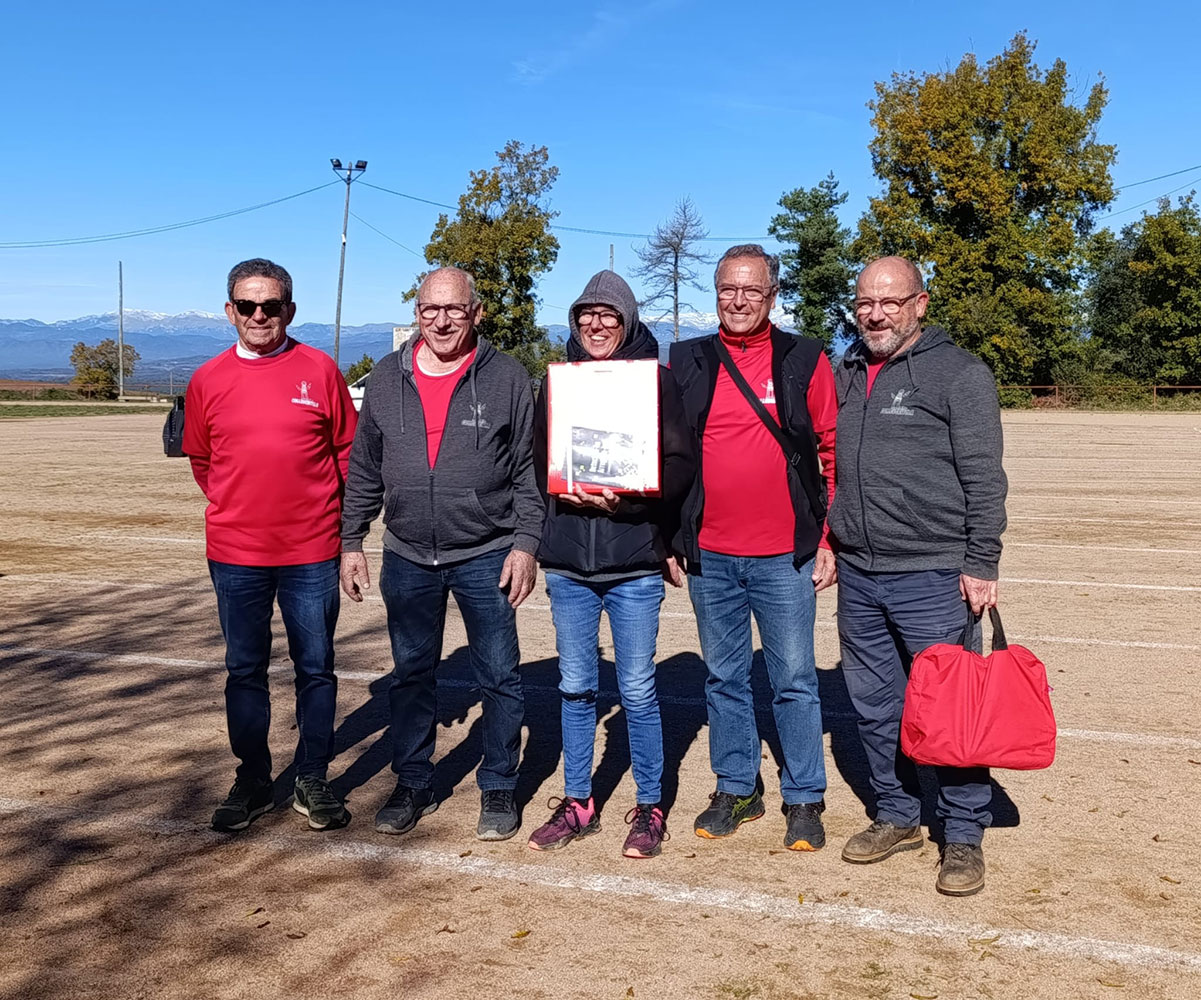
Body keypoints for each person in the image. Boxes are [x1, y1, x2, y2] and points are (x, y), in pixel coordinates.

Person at [339, 266, 542, 842]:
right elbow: (364, 467)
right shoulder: (385, 376)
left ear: (476, 313)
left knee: (500, 676)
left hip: (487, 552)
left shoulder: (506, 378)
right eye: (430, 309)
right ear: (417, 313)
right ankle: (413, 782)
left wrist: (525, 545)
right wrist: (352, 540)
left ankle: (499, 784)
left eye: (454, 309)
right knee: (411, 674)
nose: (442, 320)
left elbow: (528, 473)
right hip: (406, 555)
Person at [828, 256, 1007, 897]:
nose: (875, 313)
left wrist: (981, 561)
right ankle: (898, 814)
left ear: (919, 304)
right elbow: (829, 465)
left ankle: (961, 837)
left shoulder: (959, 374)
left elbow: (985, 476)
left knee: (952, 711)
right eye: (865, 302)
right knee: (876, 707)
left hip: (933, 573)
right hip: (859, 571)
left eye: (890, 302)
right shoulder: (844, 370)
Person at [669, 244, 838, 851]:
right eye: (727, 290)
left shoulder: (805, 358)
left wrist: (829, 539)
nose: (738, 301)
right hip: (711, 555)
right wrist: (671, 537)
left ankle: (804, 797)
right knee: (724, 678)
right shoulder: (685, 359)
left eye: (751, 291)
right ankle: (737, 786)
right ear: (716, 294)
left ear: (771, 296)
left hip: (784, 556)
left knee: (793, 678)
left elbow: (831, 448)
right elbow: (670, 458)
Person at [184, 258, 357, 833]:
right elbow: (204, 460)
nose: (261, 316)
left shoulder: (320, 369)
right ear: (230, 311)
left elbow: (345, 453)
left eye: (272, 305)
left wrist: (326, 525)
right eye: (248, 306)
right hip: (235, 554)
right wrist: (241, 508)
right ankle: (254, 779)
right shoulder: (207, 379)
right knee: (244, 670)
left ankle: (312, 776)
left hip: (310, 551)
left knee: (316, 668)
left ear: (290, 309)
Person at [527, 271, 694, 859]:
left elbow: (679, 464)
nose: (595, 326)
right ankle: (578, 802)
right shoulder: (556, 385)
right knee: (574, 687)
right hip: (569, 563)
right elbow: (538, 459)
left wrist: (633, 492)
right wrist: (560, 490)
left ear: (627, 322)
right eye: (585, 316)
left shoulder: (657, 382)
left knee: (638, 688)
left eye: (608, 316)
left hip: (633, 562)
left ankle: (649, 805)